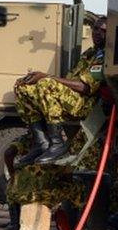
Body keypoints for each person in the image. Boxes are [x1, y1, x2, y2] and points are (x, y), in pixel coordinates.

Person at [13, 16, 106, 165]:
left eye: (103, 31)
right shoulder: (89, 53)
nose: (97, 33)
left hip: (85, 104)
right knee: (22, 86)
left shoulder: (104, 58)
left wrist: (47, 76)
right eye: (95, 29)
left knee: (45, 83)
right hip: (72, 99)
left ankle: (58, 142)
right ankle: (41, 142)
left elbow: (85, 87)